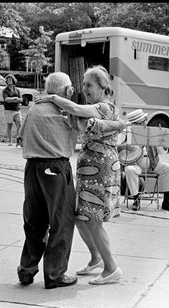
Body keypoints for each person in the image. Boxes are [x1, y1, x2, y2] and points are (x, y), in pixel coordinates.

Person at [34, 66, 126, 285]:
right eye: (83, 84)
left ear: (103, 87)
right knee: (80, 218)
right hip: (89, 170)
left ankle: (111, 268)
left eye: (89, 85)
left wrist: (53, 97)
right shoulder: (94, 108)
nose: (85, 89)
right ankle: (96, 258)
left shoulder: (103, 106)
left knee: (93, 221)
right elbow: (76, 119)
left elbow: (75, 108)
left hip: (101, 170)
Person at [122, 109, 169, 212]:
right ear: (135, 123)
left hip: (153, 163)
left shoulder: (151, 132)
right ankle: (136, 200)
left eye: (144, 121)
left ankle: (166, 202)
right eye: (142, 121)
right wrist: (127, 147)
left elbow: (161, 151)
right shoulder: (127, 133)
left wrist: (164, 143)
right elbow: (118, 148)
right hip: (136, 164)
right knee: (129, 170)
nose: (145, 123)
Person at [2, 74, 23, 146]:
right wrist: (15, 99)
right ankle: (10, 141)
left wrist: (15, 100)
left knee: (19, 124)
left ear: (13, 80)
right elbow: (6, 99)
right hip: (8, 110)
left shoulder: (17, 90)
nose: (9, 81)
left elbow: (21, 99)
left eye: (10, 79)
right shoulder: (5, 90)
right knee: (9, 125)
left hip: (17, 110)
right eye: (7, 80)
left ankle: (19, 140)